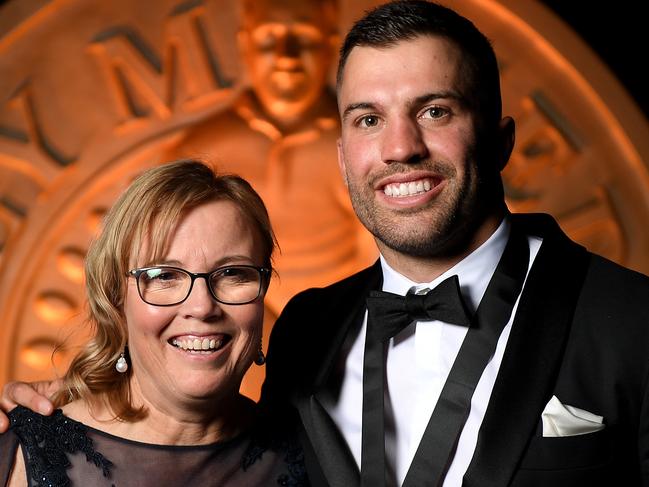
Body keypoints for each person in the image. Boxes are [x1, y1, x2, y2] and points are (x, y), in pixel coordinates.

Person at [3, 1, 649, 486]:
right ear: (343, 155)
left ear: (501, 138)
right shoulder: (308, 331)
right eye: (369, 118)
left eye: (435, 111)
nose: (400, 148)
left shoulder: (630, 321)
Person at [0, 160, 308, 486]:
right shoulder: (17, 452)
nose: (202, 306)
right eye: (164, 275)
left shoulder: (312, 457)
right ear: (117, 299)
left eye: (232, 273)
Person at [164, 0, 376, 317]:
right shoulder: (199, 149)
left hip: (336, 326)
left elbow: (386, 261)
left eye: (304, 38)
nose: (286, 56)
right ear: (244, 44)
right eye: (268, 38)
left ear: (332, 46)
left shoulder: (366, 144)